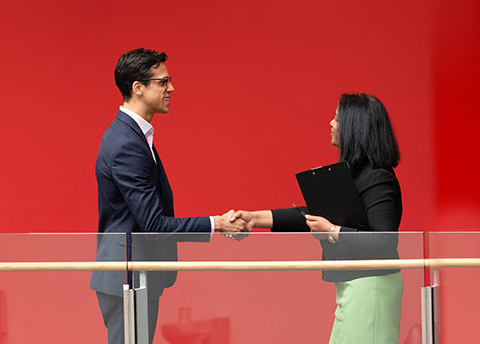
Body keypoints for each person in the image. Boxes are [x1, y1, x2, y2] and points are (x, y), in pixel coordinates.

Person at [89, 48, 250, 344]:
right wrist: (217, 224)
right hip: (128, 278)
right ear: (138, 88)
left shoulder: (134, 136)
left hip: (136, 276)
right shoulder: (127, 143)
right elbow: (154, 225)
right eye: (163, 82)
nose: (171, 89)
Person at [231, 93, 403, 344]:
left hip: (371, 287)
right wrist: (255, 218)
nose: (330, 124)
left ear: (354, 127)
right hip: (355, 285)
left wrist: (332, 230)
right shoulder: (357, 173)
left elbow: (385, 240)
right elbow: (314, 215)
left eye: (336, 118)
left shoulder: (377, 177)